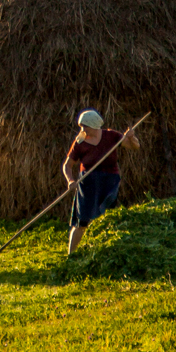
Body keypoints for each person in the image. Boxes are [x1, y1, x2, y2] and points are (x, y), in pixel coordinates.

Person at [61, 108, 138, 254]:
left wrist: (131, 137)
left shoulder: (111, 136)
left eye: (85, 126)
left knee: (108, 217)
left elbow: (135, 147)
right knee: (81, 221)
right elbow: (67, 165)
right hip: (88, 183)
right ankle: (71, 255)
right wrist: (70, 180)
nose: (82, 129)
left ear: (94, 124)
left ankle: (107, 251)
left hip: (109, 182)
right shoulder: (80, 142)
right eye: (81, 126)